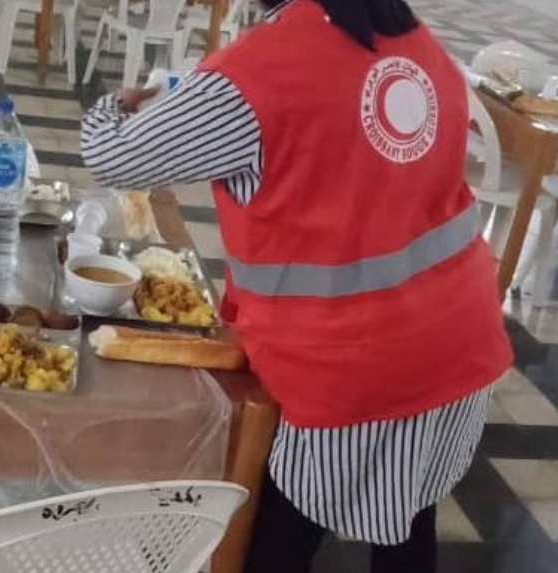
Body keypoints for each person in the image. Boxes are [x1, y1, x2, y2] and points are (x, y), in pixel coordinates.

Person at [80, 0, 514, 571]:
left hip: (351, 368)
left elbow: (112, 156)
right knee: (410, 514)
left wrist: (116, 105)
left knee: (279, 535)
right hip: (459, 340)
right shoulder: (421, 46)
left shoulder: (259, 71)